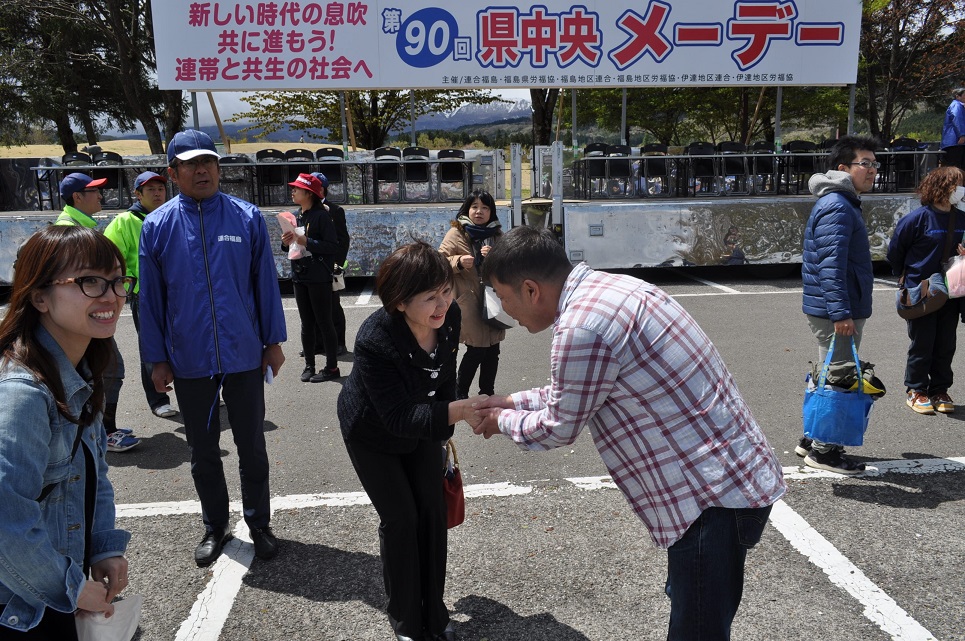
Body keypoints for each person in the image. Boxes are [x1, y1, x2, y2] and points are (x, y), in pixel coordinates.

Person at [471, 226, 785, 641]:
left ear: (531, 290)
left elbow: (558, 426)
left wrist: (498, 421)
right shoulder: (613, 289)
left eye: (503, 297)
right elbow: (578, 388)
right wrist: (511, 401)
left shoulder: (581, 327)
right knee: (694, 609)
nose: (505, 310)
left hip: (709, 499)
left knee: (697, 630)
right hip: (724, 481)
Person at [138, 129, 287, 567]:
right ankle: (214, 524)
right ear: (174, 172)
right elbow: (151, 301)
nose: (202, 170)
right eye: (190, 164)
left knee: (251, 445)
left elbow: (265, 285)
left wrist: (273, 342)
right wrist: (157, 358)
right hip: (189, 357)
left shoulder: (245, 218)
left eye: (209, 162)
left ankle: (259, 522)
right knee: (203, 451)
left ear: (219, 168)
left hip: (243, 353)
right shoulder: (157, 226)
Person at [337, 242, 485, 641]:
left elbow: (447, 374)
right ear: (400, 302)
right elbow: (398, 417)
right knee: (401, 520)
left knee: (432, 514)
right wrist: (459, 412)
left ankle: (435, 613)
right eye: (429, 297)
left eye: (446, 290)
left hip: (424, 422)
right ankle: (405, 619)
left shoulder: (449, 315)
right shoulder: (375, 338)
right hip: (372, 432)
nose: (442, 304)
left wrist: (446, 427)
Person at [0, 225, 132, 637]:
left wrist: (104, 545)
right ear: (39, 297)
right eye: (89, 281)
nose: (110, 295)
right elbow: (6, 518)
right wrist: (71, 587)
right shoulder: (22, 395)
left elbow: (95, 473)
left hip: (55, 582)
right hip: (23, 606)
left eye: (116, 280)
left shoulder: (83, 370)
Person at [798, 135, 879, 474]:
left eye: (875, 164)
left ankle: (810, 439)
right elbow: (831, 265)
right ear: (843, 168)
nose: (873, 170)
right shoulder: (838, 206)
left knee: (830, 371)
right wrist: (841, 313)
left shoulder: (840, 202)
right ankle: (824, 452)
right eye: (866, 164)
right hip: (837, 310)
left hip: (833, 307)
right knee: (840, 377)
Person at [55, 172, 139, 452]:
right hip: (84, 319)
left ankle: (99, 431)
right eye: (94, 191)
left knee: (101, 371)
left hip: (84, 317)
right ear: (77, 197)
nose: (100, 196)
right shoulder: (70, 231)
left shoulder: (76, 226)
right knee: (111, 369)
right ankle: (105, 432)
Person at [887, 166, 965, 414]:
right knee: (922, 342)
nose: (961, 190)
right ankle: (916, 390)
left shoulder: (962, 217)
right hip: (922, 291)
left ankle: (940, 389)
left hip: (953, 290)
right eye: (958, 184)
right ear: (942, 187)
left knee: (946, 343)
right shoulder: (917, 218)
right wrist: (905, 279)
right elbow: (895, 253)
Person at [104, 171, 179, 418]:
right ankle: (158, 400)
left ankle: (197, 388)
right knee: (151, 347)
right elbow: (112, 259)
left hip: (177, 291)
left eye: (161, 188)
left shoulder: (173, 215)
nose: (158, 193)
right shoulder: (125, 221)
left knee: (186, 340)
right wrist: (128, 286)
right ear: (138, 194)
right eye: (150, 190)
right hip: (145, 294)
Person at [439, 190, 506, 398]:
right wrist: (458, 262)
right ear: (467, 209)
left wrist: (496, 256)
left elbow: (511, 265)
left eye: (485, 208)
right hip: (468, 301)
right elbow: (438, 262)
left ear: (491, 212)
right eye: (475, 206)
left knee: (493, 350)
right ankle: (460, 393)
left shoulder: (497, 235)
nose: (479, 211)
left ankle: (487, 393)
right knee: (476, 349)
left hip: (493, 299)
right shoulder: (456, 233)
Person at [281, 173, 340, 383]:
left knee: (324, 322)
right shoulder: (298, 214)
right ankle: (309, 365)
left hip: (318, 276)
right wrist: (286, 241)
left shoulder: (321, 216)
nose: (293, 191)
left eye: (297, 188)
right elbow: (293, 244)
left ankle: (332, 367)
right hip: (300, 275)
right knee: (306, 323)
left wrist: (307, 241)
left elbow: (332, 246)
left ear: (309, 193)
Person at [941, 88, 965, 169]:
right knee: (955, 169)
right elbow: (957, 119)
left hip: (953, 142)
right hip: (955, 142)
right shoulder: (957, 105)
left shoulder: (958, 106)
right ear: (957, 96)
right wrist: (962, 135)